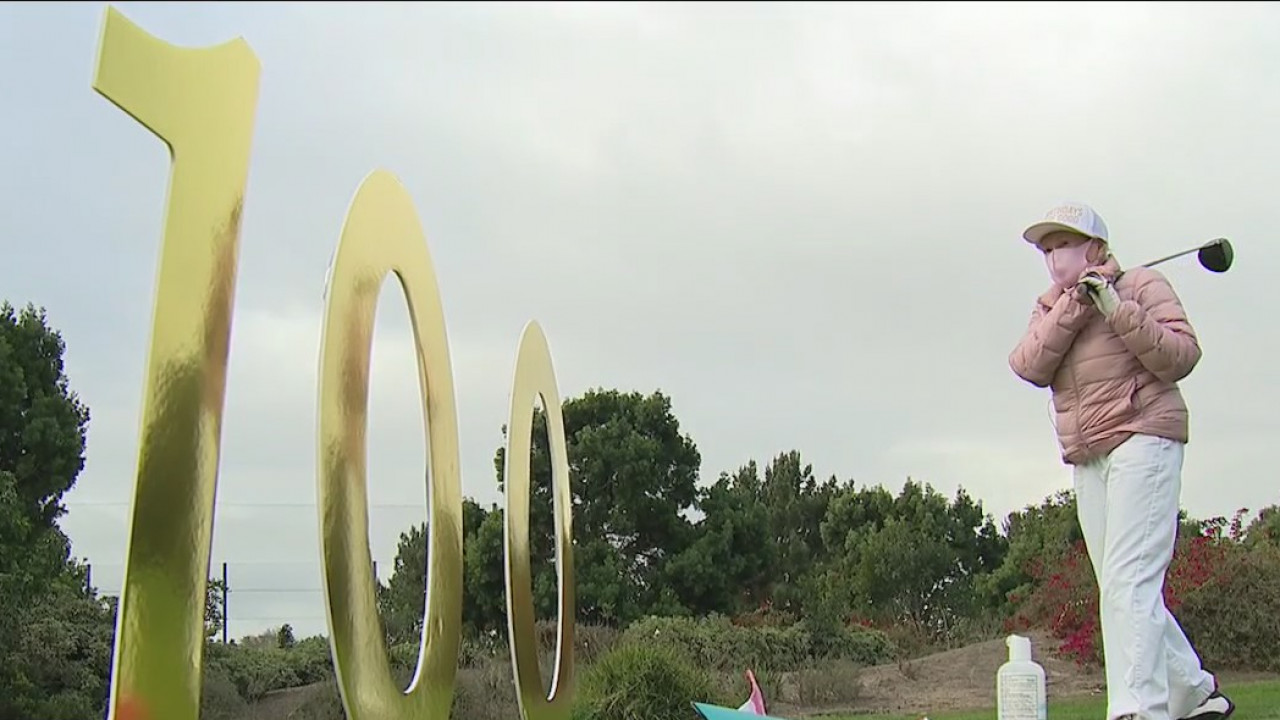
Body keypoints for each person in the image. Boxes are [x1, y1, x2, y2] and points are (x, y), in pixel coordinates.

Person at [1008, 201, 1234, 720]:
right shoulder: (1050, 307)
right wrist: (1075, 307)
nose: (1053, 258)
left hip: (1144, 436)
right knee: (1119, 583)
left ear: (1095, 247)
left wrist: (1113, 307)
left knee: (1130, 578)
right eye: (1046, 249)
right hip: (1088, 455)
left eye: (1063, 244)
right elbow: (1028, 364)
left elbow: (1181, 356)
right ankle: (1192, 691)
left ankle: (1136, 708)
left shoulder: (1140, 286)